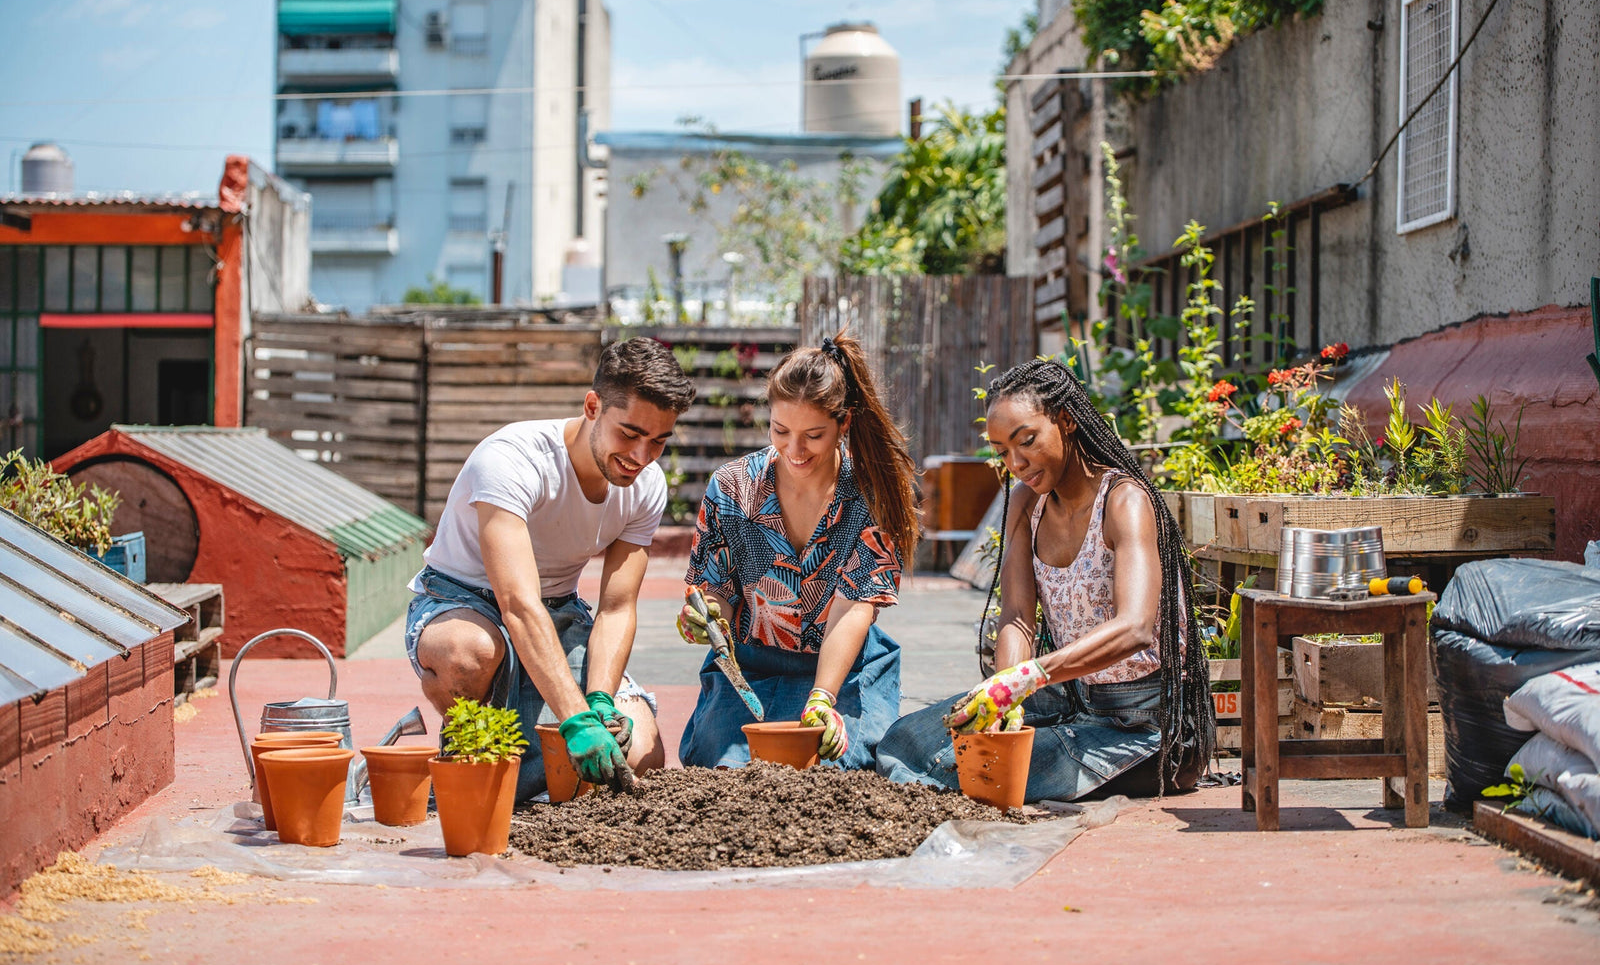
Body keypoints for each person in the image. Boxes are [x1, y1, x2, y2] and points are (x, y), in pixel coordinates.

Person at [876, 358, 1214, 800]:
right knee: (908, 740)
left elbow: (1135, 627)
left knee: (973, 769)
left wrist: (1030, 676)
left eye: (1027, 441)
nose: (1017, 462)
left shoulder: (1125, 500)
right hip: (1068, 701)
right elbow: (1017, 616)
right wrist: (1005, 695)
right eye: (1002, 452)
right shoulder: (1026, 504)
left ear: (1067, 420)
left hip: (1146, 728)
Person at [405, 337, 695, 801]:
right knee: (467, 654)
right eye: (630, 434)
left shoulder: (646, 486)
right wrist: (574, 720)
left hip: (558, 609)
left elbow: (617, 609)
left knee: (640, 752)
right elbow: (516, 605)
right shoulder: (512, 459)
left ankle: (526, 769)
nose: (641, 457)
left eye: (658, 441)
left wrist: (598, 701)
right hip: (462, 603)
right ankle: (472, 769)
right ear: (593, 405)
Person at [676, 333, 920, 770]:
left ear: (844, 423)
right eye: (780, 431)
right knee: (729, 768)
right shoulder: (732, 487)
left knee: (834, 765)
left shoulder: (873, 494)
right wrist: (707, 615)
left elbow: (853, 610)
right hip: (749, 665)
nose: (794, 450)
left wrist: (823, 698)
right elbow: (713, 587)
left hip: (844, 669)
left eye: (813, 435)